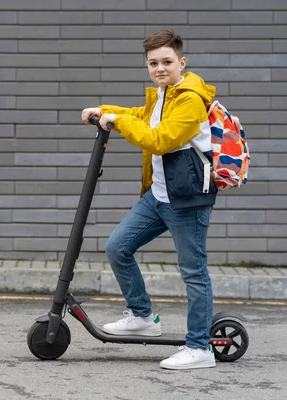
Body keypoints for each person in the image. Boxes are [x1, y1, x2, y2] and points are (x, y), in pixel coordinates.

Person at [81, 29, 218, 370]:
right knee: (118, 247)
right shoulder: (162, 94)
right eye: (153, 63)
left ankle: (201, 348)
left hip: (186, 201)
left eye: (167, 62)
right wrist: (103, 109)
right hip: (158, 197)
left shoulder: (189, 99)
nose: (159, 68)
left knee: (193, 272)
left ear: (181, 62)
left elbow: (159, 140)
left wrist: (119, 121)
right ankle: (142, 315)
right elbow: (141, 117)